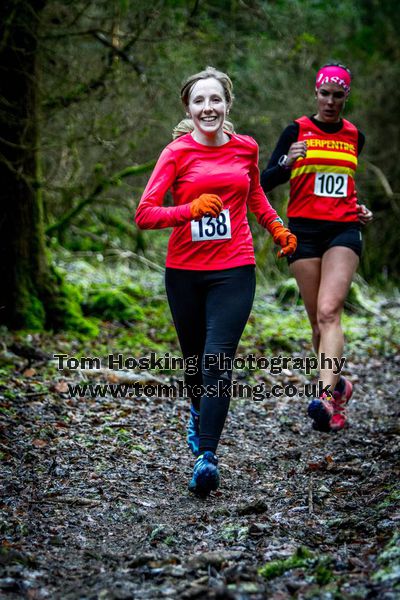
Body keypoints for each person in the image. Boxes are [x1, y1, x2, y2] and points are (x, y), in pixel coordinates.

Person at [135, 66, 297, 495]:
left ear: (227, 104)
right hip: (185, 272)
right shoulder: (176, 153)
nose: (208, 108)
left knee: (217, 363)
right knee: (195, 367)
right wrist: (189, 210)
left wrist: (278, 228)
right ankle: (196, 411)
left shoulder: (246, 148)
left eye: (215, 100)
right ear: (189, 108)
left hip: (234, 268)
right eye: (199, 101)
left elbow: (256, 195)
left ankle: (207, 456)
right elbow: (145, 214)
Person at [261, 62, 373, 433]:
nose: (329, 101)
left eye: (337, 95)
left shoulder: (354, 136)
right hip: (303, 234)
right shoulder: (296, 130)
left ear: (346, 97)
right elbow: (264, 180)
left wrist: (361, 209)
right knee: (316, 325)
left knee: (329, 313)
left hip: (343, 231)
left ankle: (324, 398)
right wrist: (287, 161)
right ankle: (339, 387)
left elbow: (345, 184)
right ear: (316, 93)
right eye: (324, 94)